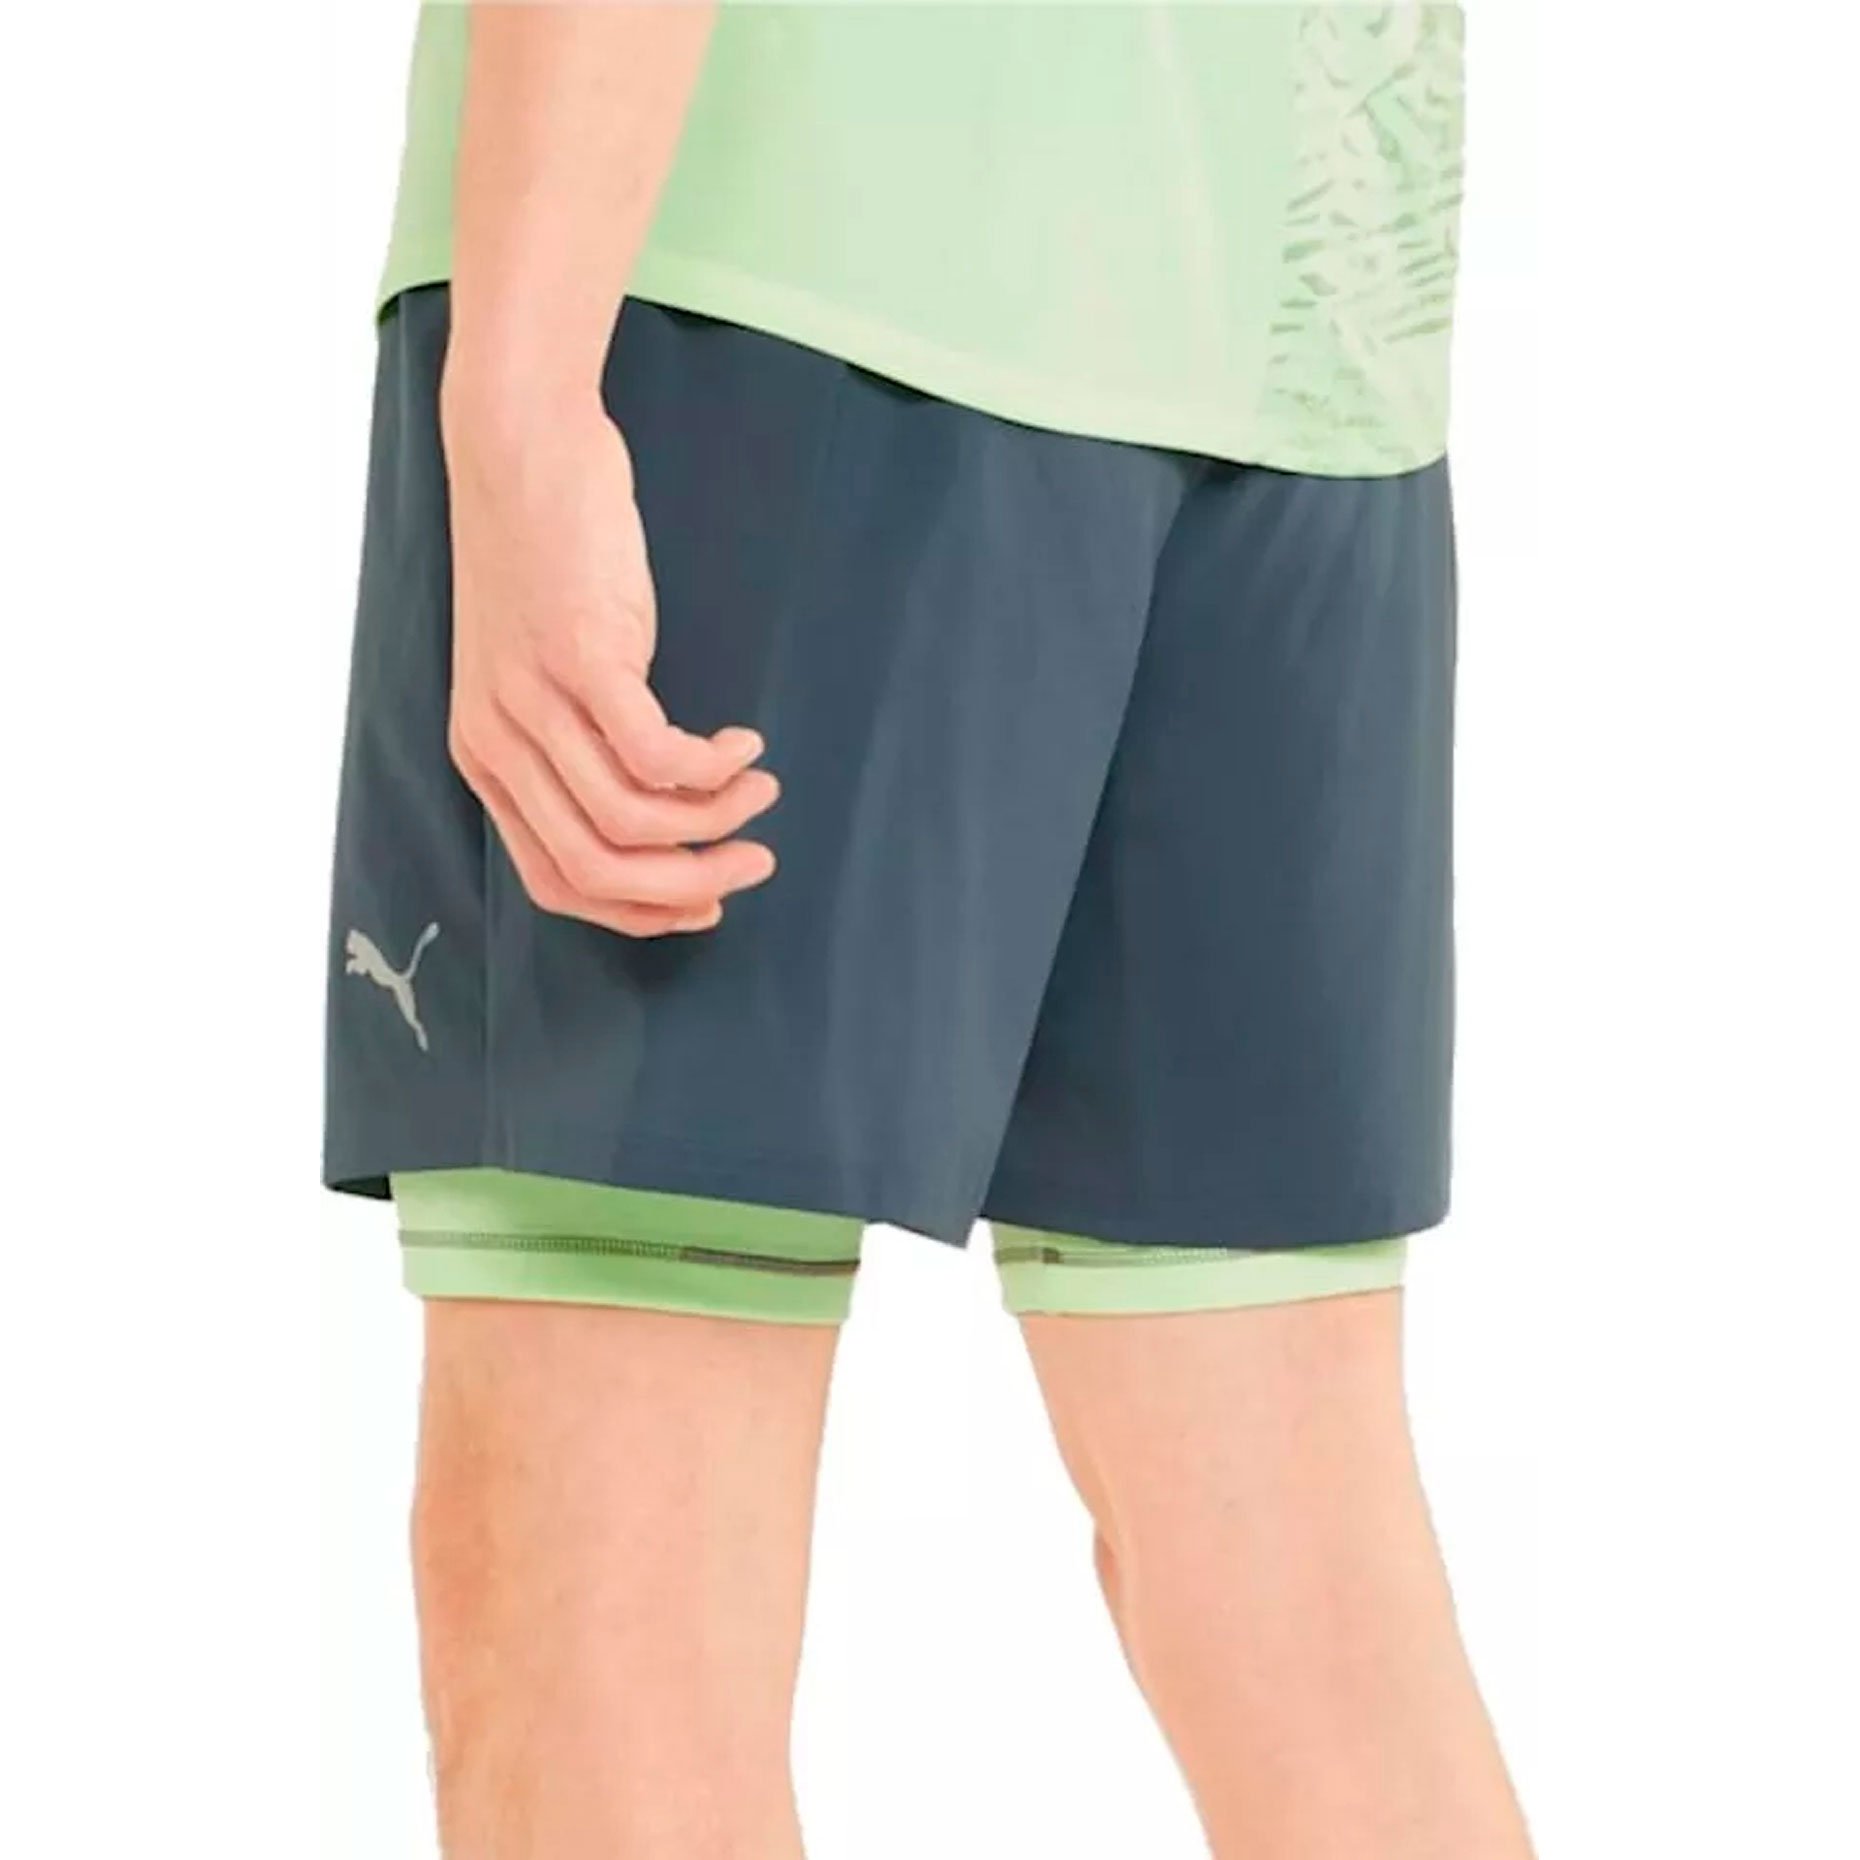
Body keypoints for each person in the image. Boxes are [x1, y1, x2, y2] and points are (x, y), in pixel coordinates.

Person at [324, 5, 1532, 1855]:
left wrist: (524, 382)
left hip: (767, 262)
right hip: (1306, 312)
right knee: (1287, 1558)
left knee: (597, 1555)